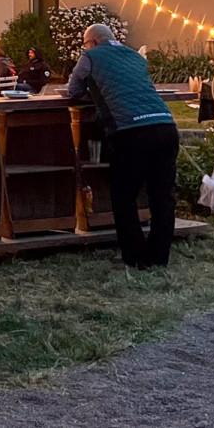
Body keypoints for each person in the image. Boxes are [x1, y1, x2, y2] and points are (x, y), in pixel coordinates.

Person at [67, 23, 178, 268]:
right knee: (162, 197)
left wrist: (97, 96)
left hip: (130, 131)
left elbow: (73, 90)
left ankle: (135, 257)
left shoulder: (90, 57)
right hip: (165, 126)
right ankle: (159, 258)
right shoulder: (134, 56)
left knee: (124, 196)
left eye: (85, 43)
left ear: (92, 42)